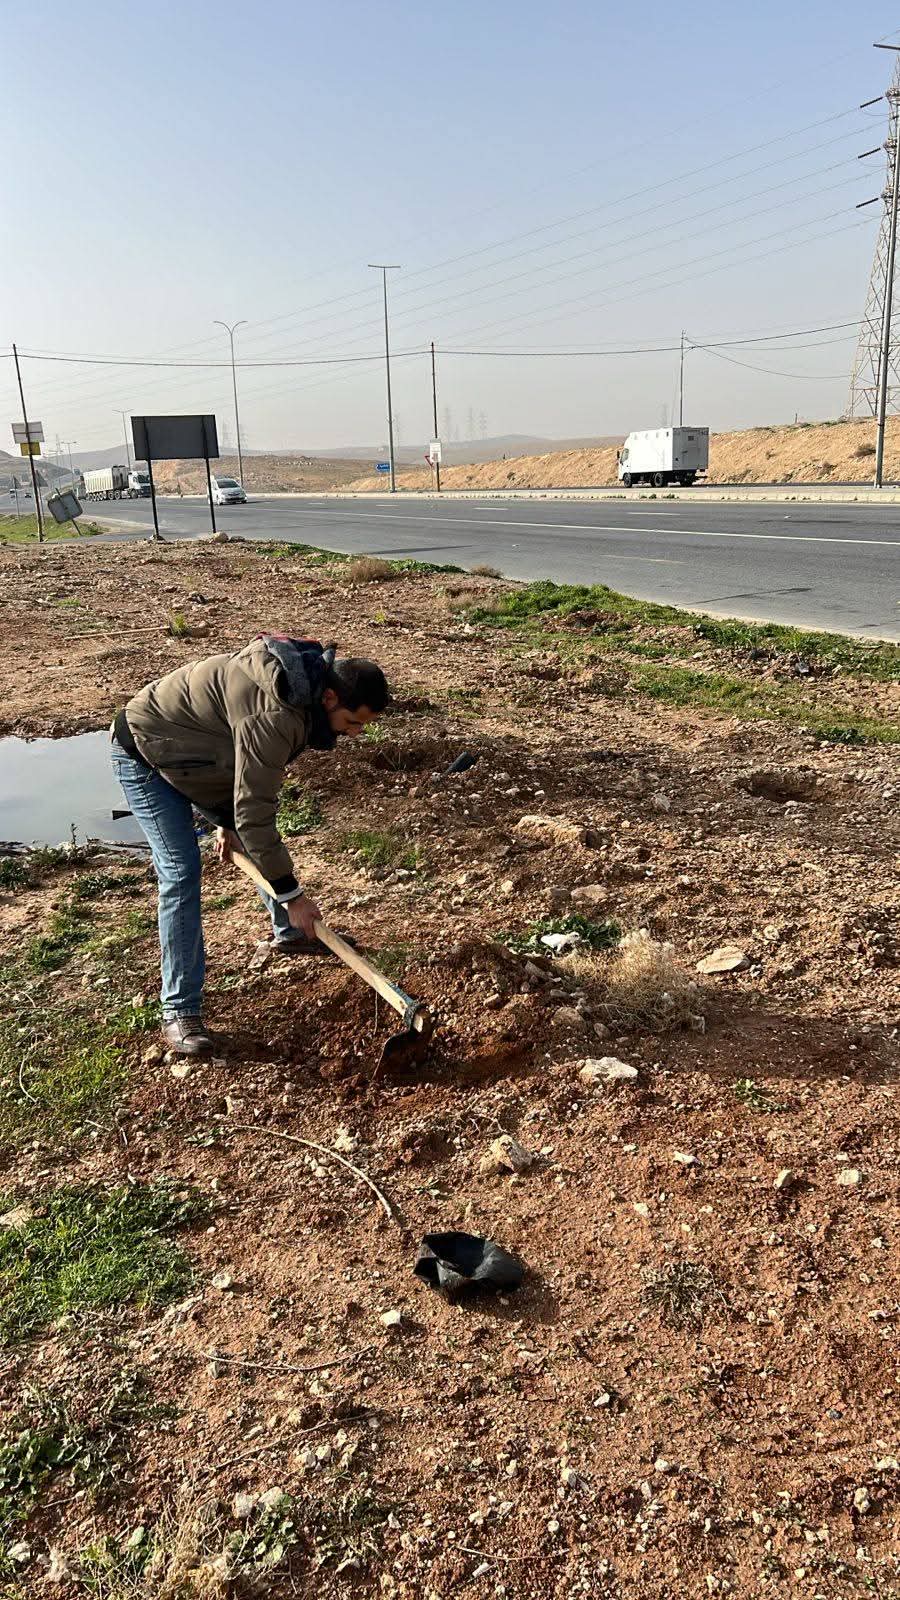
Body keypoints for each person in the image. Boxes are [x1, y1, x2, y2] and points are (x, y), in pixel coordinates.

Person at [111, 636, 390, 1056]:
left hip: (199, 752)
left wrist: (226, 819)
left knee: (246, 832)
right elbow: (254, 811)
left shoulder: (301, 697)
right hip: (146, 752)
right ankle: (179, 1010)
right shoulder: (276, 712)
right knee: (181, 872)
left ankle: (289, 933)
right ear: (330, 697)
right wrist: (293, 895)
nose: (355, 732)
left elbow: (245, 774)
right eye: (353, 721)